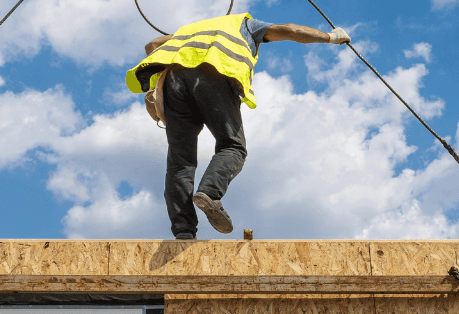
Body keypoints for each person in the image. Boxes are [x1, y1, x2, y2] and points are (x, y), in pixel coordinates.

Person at [125, 12, 350, 239]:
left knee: (180, 163)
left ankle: (183, 231)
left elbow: (152, 45)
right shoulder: (243, 24)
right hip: (214, 72)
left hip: (174, 83)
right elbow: (291, 30)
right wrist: (331, 37)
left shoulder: (188, 31)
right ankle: (209, 193)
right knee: (233, 147)